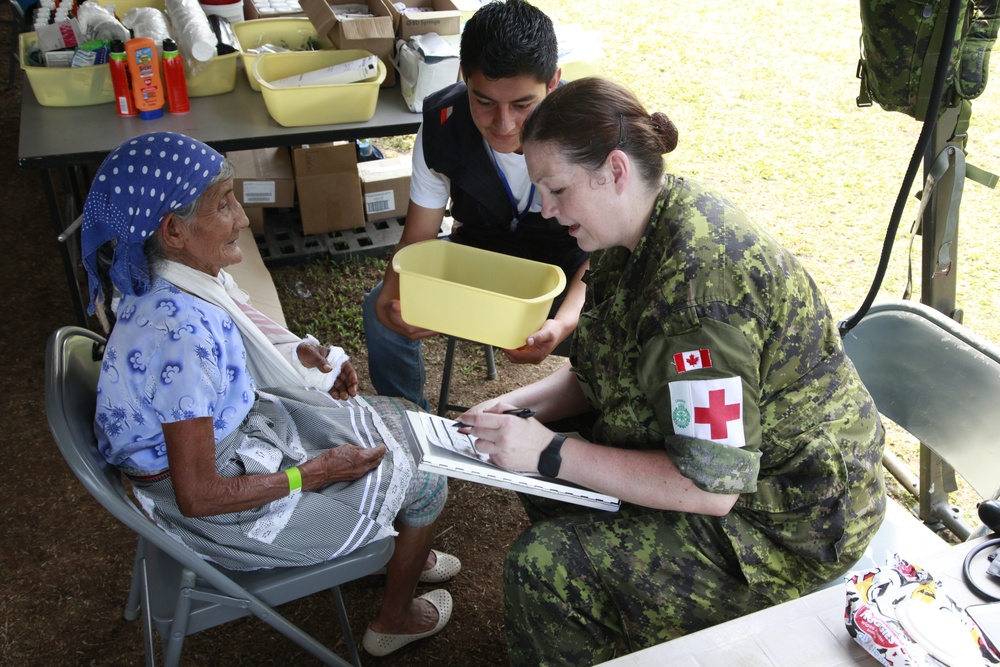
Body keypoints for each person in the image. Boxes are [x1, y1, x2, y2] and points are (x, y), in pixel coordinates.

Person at [456, 78, 888, 665]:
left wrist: (549, 452)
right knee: (554, 490)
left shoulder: (697, 293)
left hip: (790, 524)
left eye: (556, 189)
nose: (546, 209)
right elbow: (605, 372)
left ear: (613, 170)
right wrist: (520, 409)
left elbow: (711, 488)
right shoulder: (629, 229)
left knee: (545, 566)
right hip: (741, 482)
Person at [82, 132, 461, 658]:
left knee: (403, 416)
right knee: (427, 478)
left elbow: (233, 347)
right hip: (215, 506)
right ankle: (394, 617)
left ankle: (406, 552)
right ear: (173, 230)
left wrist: (298, 354)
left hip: (230, 439)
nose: (241, 217)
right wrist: (318, 473)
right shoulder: (181, 338)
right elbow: (197, 496)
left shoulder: (159, 279)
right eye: (224, 204)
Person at [362, 0, 589, 411]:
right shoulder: (442, 124)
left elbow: (605, 253)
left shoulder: (588, 129)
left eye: (523, 105)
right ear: (463, 76)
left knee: (626, 328)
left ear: (553, 81)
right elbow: (418, 238)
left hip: (565, 282)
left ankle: (590, 435)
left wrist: (565, 321)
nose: (503, 125)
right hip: (477, 269)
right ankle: (410, 423)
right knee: (380, 304)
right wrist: (390, 300)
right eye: (483, 101)